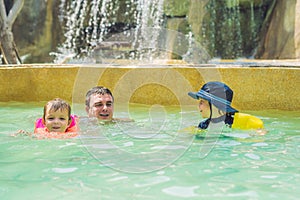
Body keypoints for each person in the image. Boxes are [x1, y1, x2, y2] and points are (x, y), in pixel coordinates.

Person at [188, 81, 265, 133]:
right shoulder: (203, 125)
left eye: (202, 102)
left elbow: (260, 133)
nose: (198, 106)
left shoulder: (238, 122)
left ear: (216, 105)